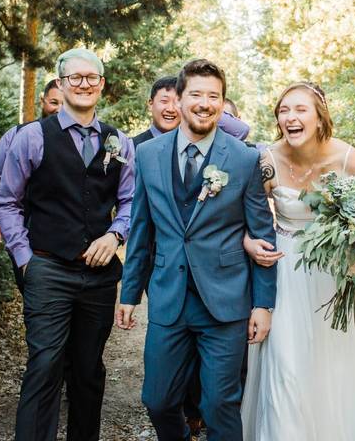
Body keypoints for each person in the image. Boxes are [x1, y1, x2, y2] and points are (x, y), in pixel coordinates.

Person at [116, 59, 277, 441]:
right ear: (180, 98)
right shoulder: (150, 154)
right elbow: (141, 227)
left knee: (220, 404)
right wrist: (129, 293)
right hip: (169, 298)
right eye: (197, 95)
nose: (205, 103)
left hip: (225, 302)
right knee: (157, 401)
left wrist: (262, 304)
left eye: (214, 96)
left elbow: (262, 233)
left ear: (222, 103)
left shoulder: (243, 158)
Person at [0, 49, 135, 441]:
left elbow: (130, 201)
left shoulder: (119, 141)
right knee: (45, 365)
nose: (84, 84)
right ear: (61, 84)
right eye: (75, 78)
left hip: (99, 277)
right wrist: (25, 260)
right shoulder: (32, 138)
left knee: (89, 370)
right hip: (48, 268)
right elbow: (7, 201)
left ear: (101, 85)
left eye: (92, 78)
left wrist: (115, 234)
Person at [241, 82, 355, 441]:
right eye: (284, 111)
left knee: (332, 373)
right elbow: (241, 219)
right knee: (286, 368)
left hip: (335, 276)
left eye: (300, 110)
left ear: (319, 118)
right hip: (284, 273)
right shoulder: (267, 161)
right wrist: (249, 242)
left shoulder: (349, 159)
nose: (290, 117)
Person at [0, 79, 62, 253]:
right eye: (54, 102)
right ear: (43, 100)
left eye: (64, 103)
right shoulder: (16, 134)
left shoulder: (83, 140)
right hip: (21, 230)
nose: (59, 109)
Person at [133, 75, 251, 147]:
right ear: (150, 104)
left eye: (177, 102)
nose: (170, 109)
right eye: (164, 101)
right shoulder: (134, 146)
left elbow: (240, 130)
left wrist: (201, 109)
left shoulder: (195, 141)